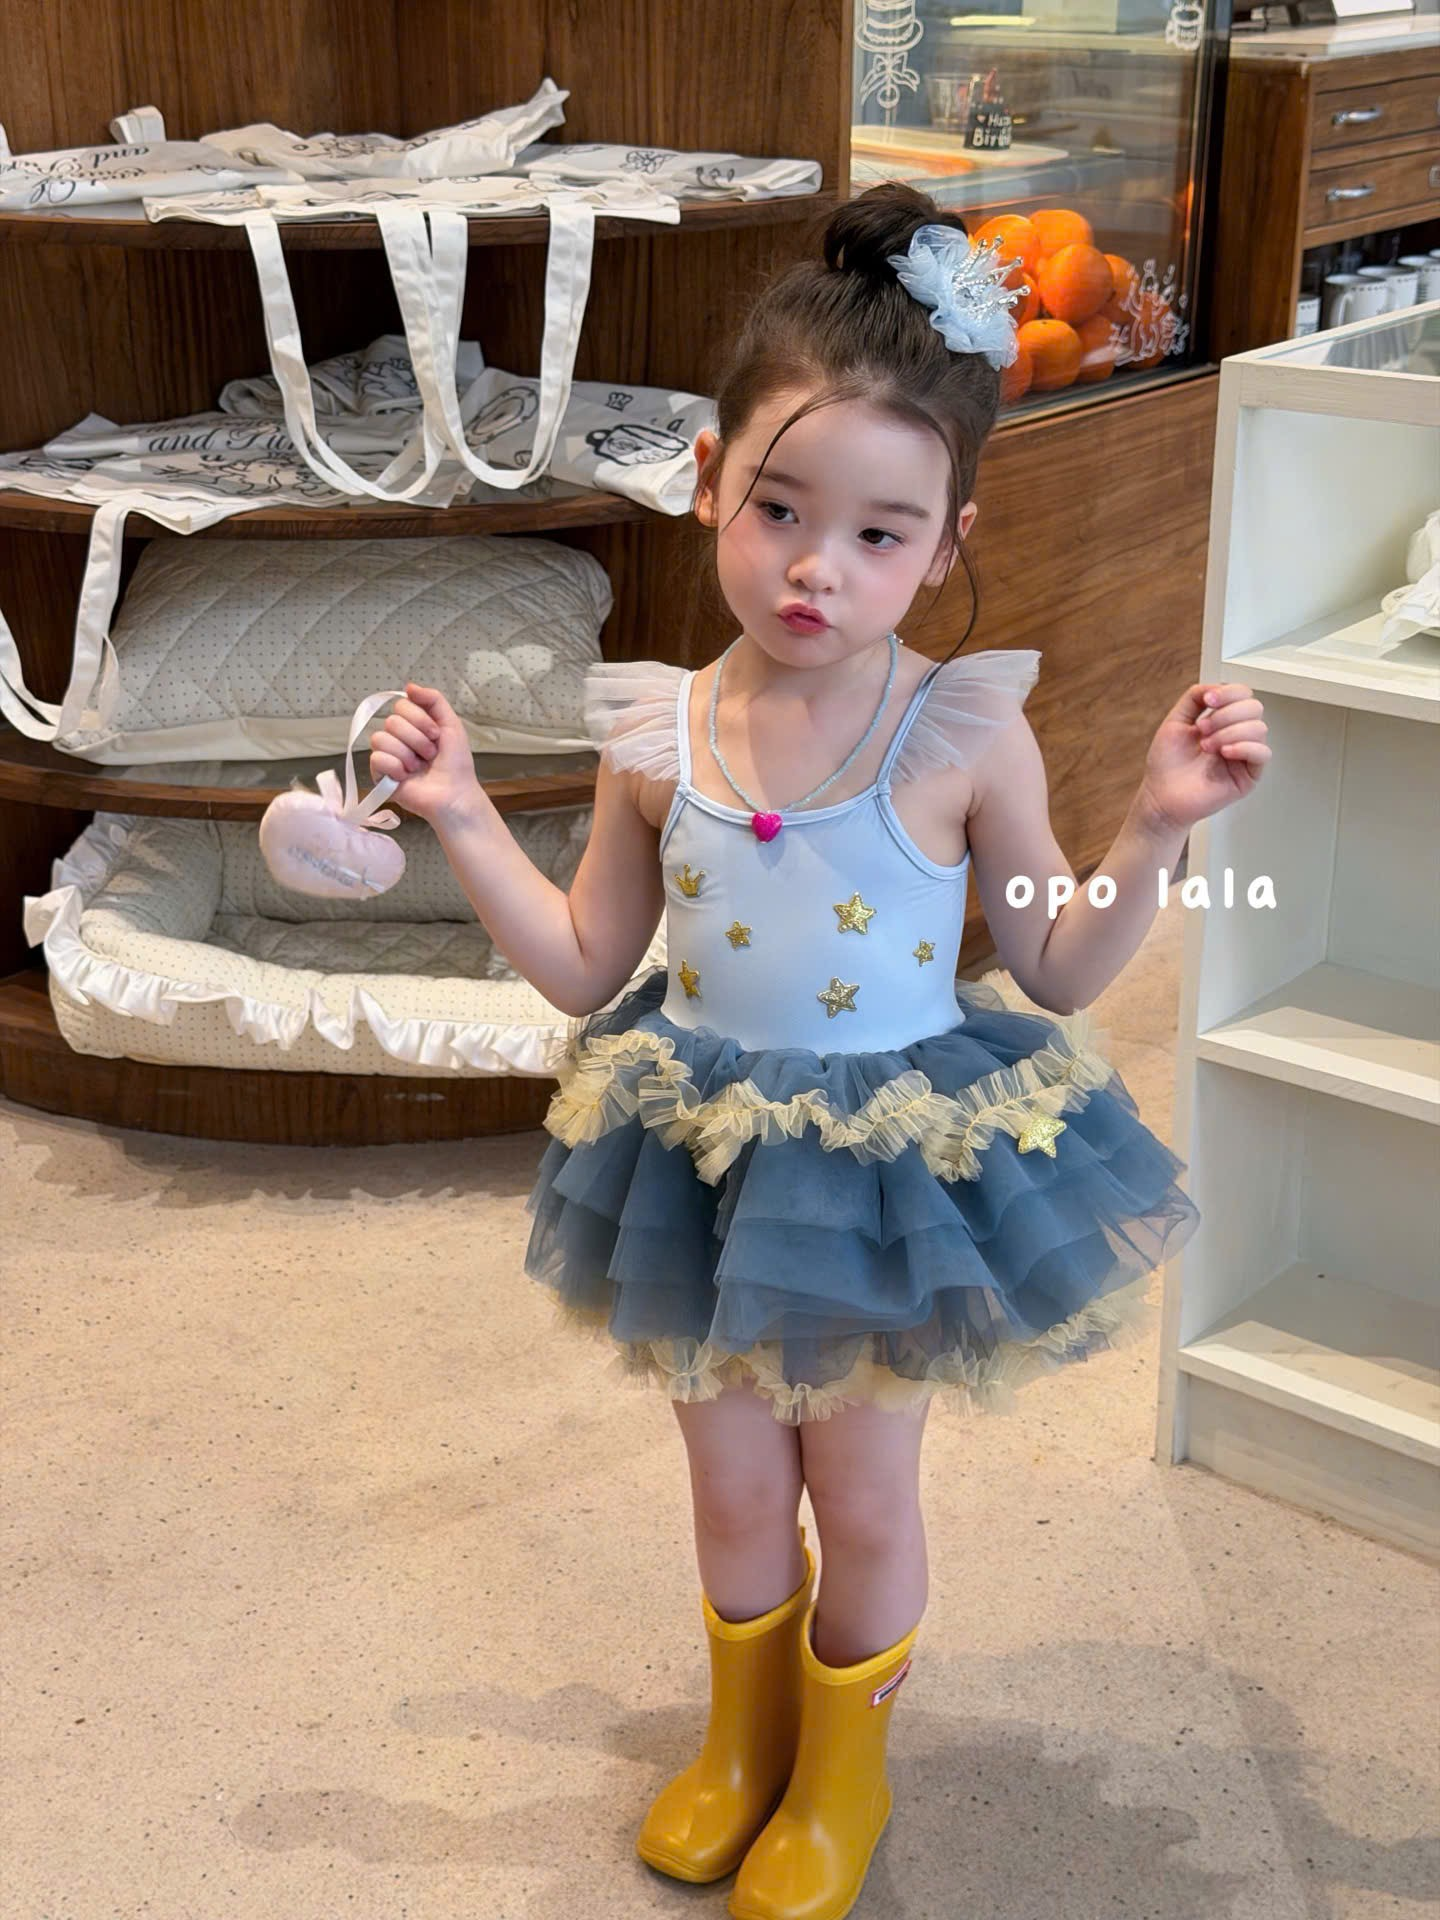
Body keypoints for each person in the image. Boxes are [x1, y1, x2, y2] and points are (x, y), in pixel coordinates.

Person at [369, 183, 1269, 1920]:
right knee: (727, 1486)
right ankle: (744, 1743)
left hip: (880, 1183)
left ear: (946, 542)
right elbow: (586, 966)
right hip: (699, 1161)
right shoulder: (658, 730)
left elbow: (1062, 964)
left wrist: (1157, 824)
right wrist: (464, 815)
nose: (814, 567)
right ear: (710, 477)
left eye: (878, 533)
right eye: (780, 508)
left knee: (858, 1493)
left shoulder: (963, 731)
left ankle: (842, 1777)